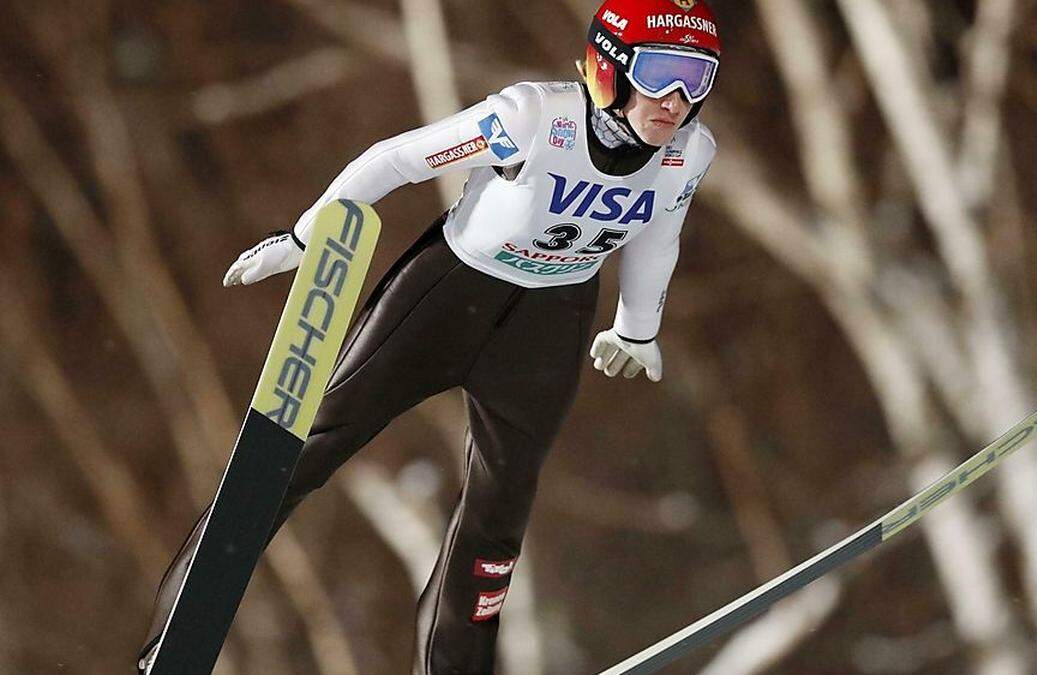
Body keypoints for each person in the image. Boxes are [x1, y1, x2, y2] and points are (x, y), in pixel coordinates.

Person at [138, 0, 721, 672]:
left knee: (501, 508)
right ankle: (178, 635)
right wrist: (309, 233)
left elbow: (658, 236)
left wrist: (638, 327)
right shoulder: (533, 119)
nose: (678, 99)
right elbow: (397, 160)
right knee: (308, 447)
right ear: (608, 66)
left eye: (698, 78)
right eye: (663, 72)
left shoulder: (688, 154)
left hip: (550, 320)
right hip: (449, 294)